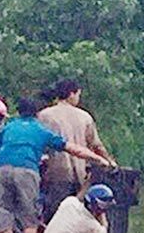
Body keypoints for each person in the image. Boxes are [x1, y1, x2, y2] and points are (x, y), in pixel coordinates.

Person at [0, 97, 112, 233]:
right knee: (29, 219)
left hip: (0, 170)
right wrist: (98, 158)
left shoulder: (7, 127)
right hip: (26, 170)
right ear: (36, 113)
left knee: (3, 218)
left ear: (19, 112)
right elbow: (72, 149)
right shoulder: (40, 130)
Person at [37, 79, 116, 221]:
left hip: (55, 173)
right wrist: (109, 161)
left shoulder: (44, 116)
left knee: (55, 216)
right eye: (78, 94)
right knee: (77, 215)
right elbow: (96, 145)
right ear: (71, 94)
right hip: (80, 175)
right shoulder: (85, 117)